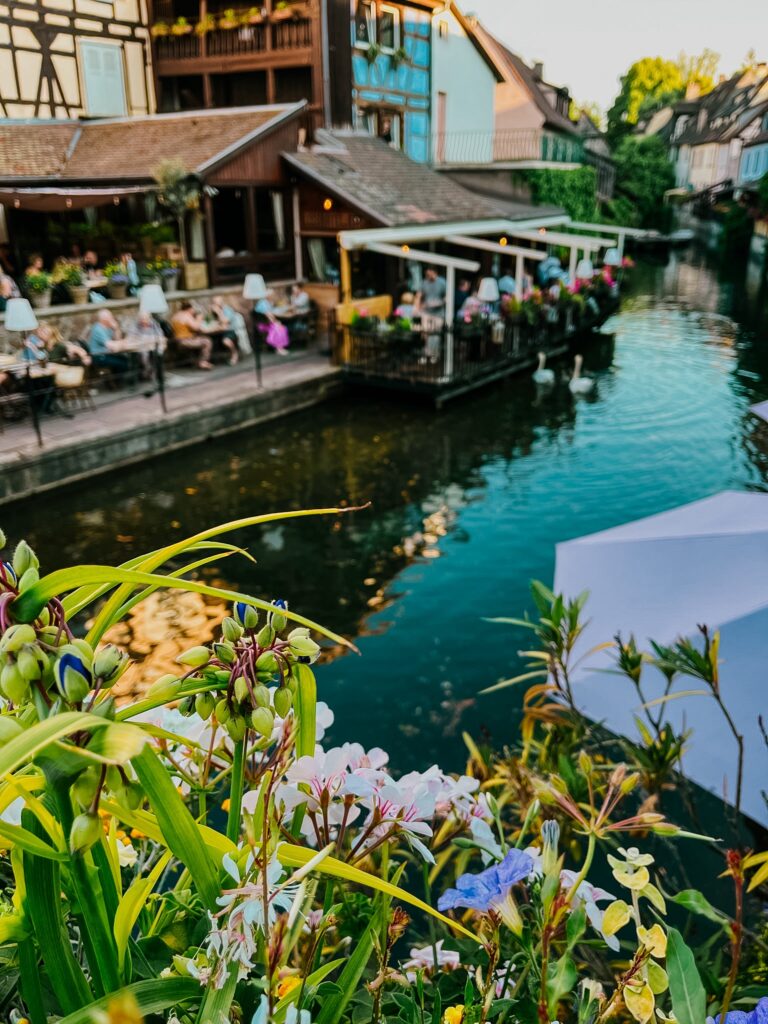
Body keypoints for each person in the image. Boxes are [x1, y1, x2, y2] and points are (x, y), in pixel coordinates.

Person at [170, 301, 213, 370]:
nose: (194, 311)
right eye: (193, 309)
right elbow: (196, 327)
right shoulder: (186, 315)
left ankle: (196, 361)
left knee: (200, 338)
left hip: (177, 340)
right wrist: (199, 318)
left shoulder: (176, 315)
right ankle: (203, 362)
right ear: (189, 308)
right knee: (207, 341)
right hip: (185, 341)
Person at [88, 309, 131, 376]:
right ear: (104, 320)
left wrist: (116, 329)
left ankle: (120, 380)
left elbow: (117, 339)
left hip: (106, 353)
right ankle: (117, 383)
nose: (112, 318)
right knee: (122, 364)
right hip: (99, 356)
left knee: (126, 359)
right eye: (110, 317)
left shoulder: (108, 326)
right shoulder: (98, 329)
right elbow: (111, 345)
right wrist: (123, 342)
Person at [209, 296, 240, 365]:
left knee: (226, 341)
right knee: (210, 340)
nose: (215, 305)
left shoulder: (227, 310)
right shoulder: (214, 311)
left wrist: (219, 312)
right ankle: (213, 359)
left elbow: (226, 322)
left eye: (216, 303)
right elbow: (211, 321)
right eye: (214, 303)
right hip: (219, 331)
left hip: (231, 331)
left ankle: (234, 353)